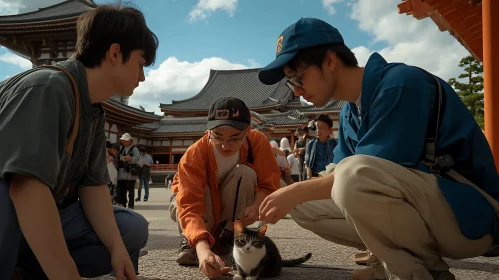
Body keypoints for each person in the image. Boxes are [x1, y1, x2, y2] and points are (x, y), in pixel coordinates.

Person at [257, 17, 499, 280]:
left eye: (298, 77)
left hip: (471, 215)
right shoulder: (350, 111)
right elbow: (333, 177)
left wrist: (296, 189)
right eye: (291, 82)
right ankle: (392, 260)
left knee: (350, 177)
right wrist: (272, 197)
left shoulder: (401, 84)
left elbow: (361, 175)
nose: (296, 91)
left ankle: (418, 273)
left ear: (329, 60)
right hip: (430, 210)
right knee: (298, 203)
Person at [0, 3, 158, 280]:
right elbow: (26, 187)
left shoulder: (94, 109)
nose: (142, 77)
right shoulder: (47, 88)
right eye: (140, 64)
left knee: (130, 228)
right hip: (10, 208)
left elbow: (94, 186)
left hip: (40, 215)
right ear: (115, 52)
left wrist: (117, 249)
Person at [169, 97, 281, 279]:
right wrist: (202, 248)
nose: (225, 145)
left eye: (236, 138)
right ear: (208, 131)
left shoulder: (257, 142)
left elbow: (268, 182)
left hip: (231, 208)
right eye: (218, 136)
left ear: (248, 129)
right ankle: (191, 241)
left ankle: (228, 235)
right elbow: (189, 203)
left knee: (246, 173)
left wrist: (257, 205)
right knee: (197, 191)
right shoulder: (194, 154)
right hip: (196, 206)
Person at [304, 114, 337, 179]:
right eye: (317, 128)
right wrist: (309, 177)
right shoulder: (311, 144)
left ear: (330, 130)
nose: (318, 130)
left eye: (322, 128)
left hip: (330, 176)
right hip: (314, 176)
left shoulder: (335, 144)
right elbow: (307, 164)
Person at [117, 133, 141, 209]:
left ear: (130, 141)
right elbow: (119, 157)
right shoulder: (122, 148)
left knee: (131, 190)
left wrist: (130, 159)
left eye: (125, 141)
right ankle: (123, 203)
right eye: (123, 141)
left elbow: (137, 158)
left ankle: (131, 205)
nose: (123, 142)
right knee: (122, 189)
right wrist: (122, 158)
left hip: (130, 173)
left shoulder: (134, 149)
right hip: (122, 172)